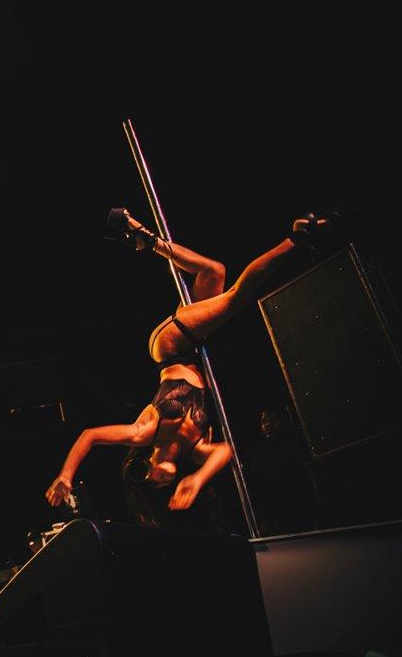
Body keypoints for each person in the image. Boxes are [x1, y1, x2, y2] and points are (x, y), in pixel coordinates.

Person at [45, 209, 334, 528]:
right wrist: (196, 481)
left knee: (235, 298)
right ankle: (147, 241)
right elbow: (224, 452)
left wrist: (66, 475)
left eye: (154, 482)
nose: (162, 482)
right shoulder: (195, 449)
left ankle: (297, 238)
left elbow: (91, 435)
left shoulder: (144, 434)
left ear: (145, 468)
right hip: (192, 348)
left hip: (169, 347)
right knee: (213, 272)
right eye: (164, 486)